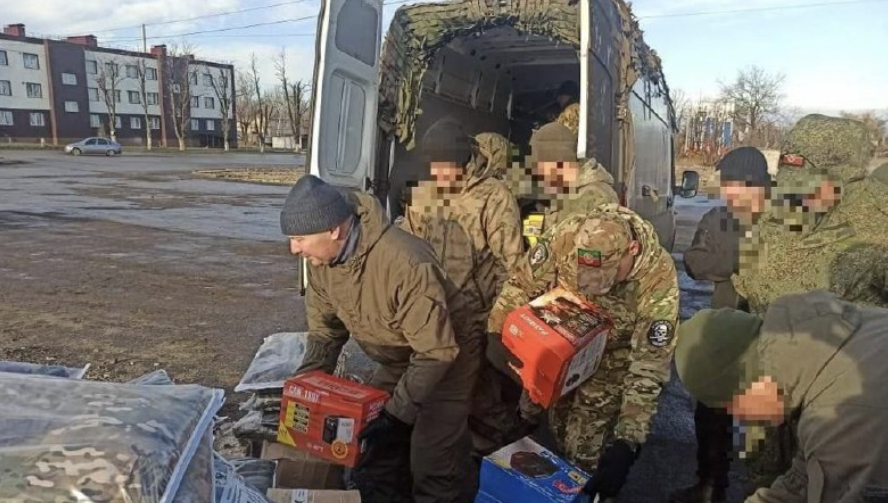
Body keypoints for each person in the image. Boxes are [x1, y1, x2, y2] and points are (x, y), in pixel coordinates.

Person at [282, 174, 482, 503]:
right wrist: (304, 391)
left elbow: (436, 352)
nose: (294, 249)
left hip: (446, 358)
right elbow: (326, 334)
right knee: (374, 452)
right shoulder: (322, 263)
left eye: (301, 238)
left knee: (432, 462)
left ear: (334, 229)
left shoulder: (404, 262)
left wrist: (395, 416)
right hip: (399, 357)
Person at [729, 114, 888, 495]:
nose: (794, 192)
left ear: (846, 178)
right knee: (762, 483)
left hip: (837, 413)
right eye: (788, 176)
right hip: (767, 397)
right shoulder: (775, 215)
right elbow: (751, 289)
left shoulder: (878, 229)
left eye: (808, 181)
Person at [487, 204, 679, 502]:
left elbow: (650, 364)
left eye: (606, 275)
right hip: (561, 348)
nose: (594, 286)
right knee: (553, 429)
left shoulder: (657, 277)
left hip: (611, 362)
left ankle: (586, 491)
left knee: (587, 452)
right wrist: (496, 333)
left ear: (632, 249)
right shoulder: (567, 235)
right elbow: (521, 283)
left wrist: (629, 439)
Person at [674, 289, 888, 503]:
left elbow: (835, 488)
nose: (742, 417)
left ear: (747, 381)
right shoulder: (822, 353)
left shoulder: (842, 416)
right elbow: (804, 481)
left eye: (734, 405)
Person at [397, 125, 529, 457]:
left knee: (475, 391)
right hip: (433, 310)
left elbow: (512, 263)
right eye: (433, 167)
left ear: (463, 160)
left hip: (476, 313)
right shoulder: (424, 194)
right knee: (442, 388)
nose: (439, 174)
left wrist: (500, 319)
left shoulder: (494, 197)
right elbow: (408, 250)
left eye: (445, 167)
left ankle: (494, 453)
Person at [671, 147, 771, 503]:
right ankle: (710, 485)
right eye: (724, 184)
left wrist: (734, 262)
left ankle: (766, 492)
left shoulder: (782, 219)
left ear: (757, 185)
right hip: (726, 330)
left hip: (772, 334)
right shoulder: (717, 217)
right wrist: (740, 261)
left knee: (765, 424)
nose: (726, 192)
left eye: (733, 185)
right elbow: (695, 261)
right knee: (711, 414)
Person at [508, 121, 619, 248]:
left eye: (541, 168)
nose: (539, 174)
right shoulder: (564, 186)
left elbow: (591, 253)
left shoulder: (595, 196)